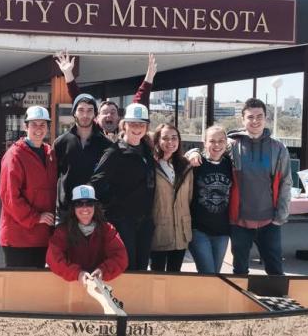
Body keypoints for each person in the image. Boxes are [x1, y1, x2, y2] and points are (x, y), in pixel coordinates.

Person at [187, 98, 292, 275]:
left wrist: (280, 217)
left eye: (259, 116)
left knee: (275, 269)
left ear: (266, 118)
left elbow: (286, 182)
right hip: (239, 222)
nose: (255, 121)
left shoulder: (278, 148)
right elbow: (211, 148)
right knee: (240, 270)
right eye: (250, 117)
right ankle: (241, 301)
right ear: (243, 120)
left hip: (269, 221)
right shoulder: (232, 144)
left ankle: (278, 301)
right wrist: (193, 152)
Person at [90, 102, 155, 271]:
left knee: (141, 269)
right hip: (123, 221)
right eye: (133, 123)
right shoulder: (114, 152)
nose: (137, 128)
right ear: (124, 125)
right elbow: (95, 183)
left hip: (144, 221)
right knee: (126, 267)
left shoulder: (147, 149)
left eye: (141, 124)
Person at [0, 105, 58, 268]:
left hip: (42, 236)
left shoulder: (49, 153)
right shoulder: (14, 155)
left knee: (38, 287)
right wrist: (36, 217)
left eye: (43, 124)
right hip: (19, 238)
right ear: (25, 126)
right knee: (19, 288)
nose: (39, 129)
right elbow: (10, 198)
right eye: (34, 124)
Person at [55, 51, 157, 141]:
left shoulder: (126, 135)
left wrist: (149, 79)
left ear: (118, 118)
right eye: (105, 112)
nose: (109, 115)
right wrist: (68, 73)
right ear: (97, 117)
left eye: (113, 112)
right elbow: (78, 99)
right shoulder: (91, 133)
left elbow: (138, 105)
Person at [47, 185, 128, 283]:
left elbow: (120, 257)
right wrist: (77, 274)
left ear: (95, 206)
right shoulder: (63, 231)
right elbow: (53, 258)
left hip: (100, 286)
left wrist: (102, 271)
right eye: (79, 204)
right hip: (72, 285)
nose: (85, 208)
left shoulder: (107, 229)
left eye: (89, 203)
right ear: (73, 208)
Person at [52, 92, 113, 223]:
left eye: (90, 110)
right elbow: (54, 177)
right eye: (81, 110)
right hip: (66, 210)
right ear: (74, 113)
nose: (85, 115)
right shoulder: (60, 143)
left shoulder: (107, 145)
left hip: (95, 211)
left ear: (95, 114)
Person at [187, 126, 233, 274]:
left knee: (215, 275)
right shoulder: (197, 163)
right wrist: (191, 152)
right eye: (212, 141)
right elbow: (181, 158)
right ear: (204, 142)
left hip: (222, 231)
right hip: (199, 230)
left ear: (226, 142)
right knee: (208, 273)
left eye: (221, 141)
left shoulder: (230, 164)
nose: (217, 145)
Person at [149, 124, 194, 272]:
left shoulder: (186, 165)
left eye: (174, 138)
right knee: (158, 275)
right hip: (160, 229)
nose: (170, 142)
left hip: (181, 230)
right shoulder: (151, 165)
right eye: (165, 138)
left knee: (176, 275)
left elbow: (190, 197)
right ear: (157, 141)